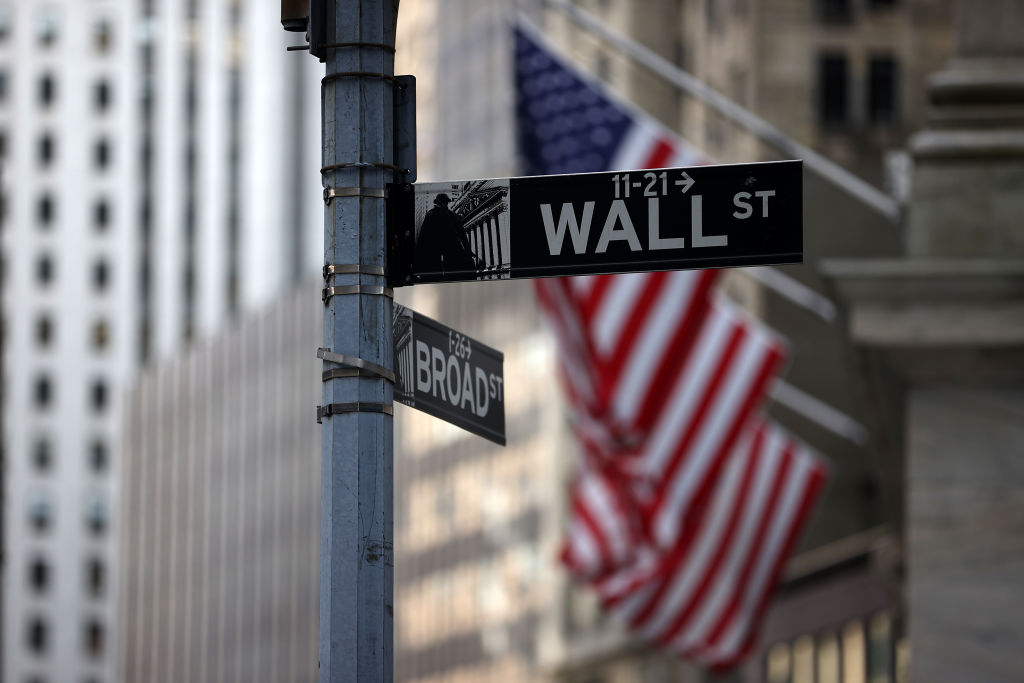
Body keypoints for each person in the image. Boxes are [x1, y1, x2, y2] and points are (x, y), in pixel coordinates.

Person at [415, 193, 480, 277]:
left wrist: (468, 250)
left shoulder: (435, 214)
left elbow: (423, 236)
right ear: (439, 203)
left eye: (445, 202)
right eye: (444, 202)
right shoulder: (440, 215)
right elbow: (423, 236)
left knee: (448, 273)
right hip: (442, 251)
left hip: (445, 251)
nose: (445, 204)